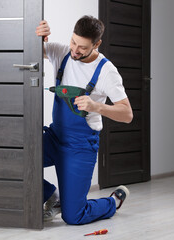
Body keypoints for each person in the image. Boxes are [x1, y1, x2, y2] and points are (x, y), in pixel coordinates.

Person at [35, 16, 133, 225]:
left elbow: (127, 114)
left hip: (80, 146)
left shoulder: (107, 71)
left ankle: (112, 203)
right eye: (73, 42)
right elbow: (29, 50)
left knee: (74, 216)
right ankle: (52, 195)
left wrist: (97, 106)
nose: (74, 50)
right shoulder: (61, 53)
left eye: (82, 47)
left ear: (96, 44)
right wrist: (41, 35)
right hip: (55, 137)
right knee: (16, 159)